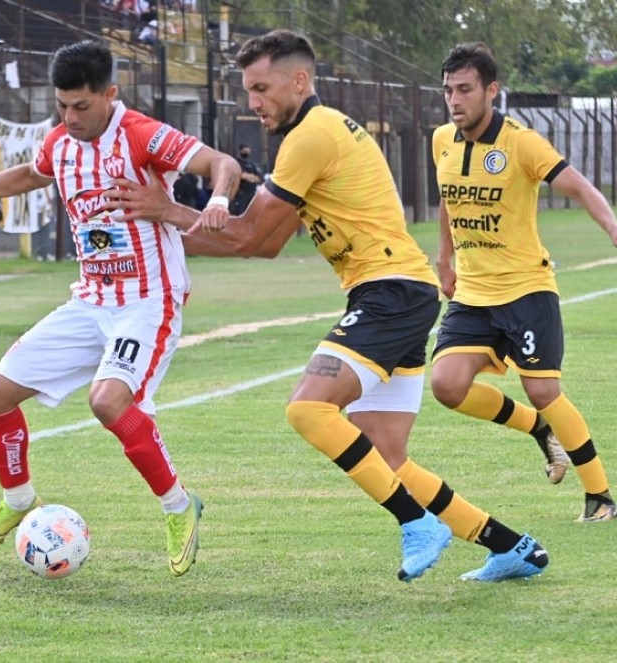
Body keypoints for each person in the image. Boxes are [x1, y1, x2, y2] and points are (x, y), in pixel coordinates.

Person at [106, 30, 551, 582]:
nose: (254, 103)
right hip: (401, 291)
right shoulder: (315, 132)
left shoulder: (309, 137)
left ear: (299, 81)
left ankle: (417, 523)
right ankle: (511, 546)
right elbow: (264, 242)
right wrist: (160, 231)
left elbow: (249, 238)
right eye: (248, 91)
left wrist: (165, 212)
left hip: (389, 291)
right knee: (387, 458)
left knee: (307, 409)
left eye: (262, 89)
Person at [0, 40, 241, 577]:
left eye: (81, 106)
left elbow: (221, 163)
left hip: (147, 302)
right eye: (61, 106)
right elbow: (30, 174)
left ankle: (180, 506)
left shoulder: (140, 135)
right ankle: (19, 502)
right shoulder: (60, 141)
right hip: (90, 300)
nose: (69, 117)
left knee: (107, 401)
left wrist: (217, 201)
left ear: (110, 94)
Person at [431, 42, 617, 523]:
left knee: (544, 392)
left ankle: (600, 497)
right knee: (447, 386)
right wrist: (444, 260)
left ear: (491, 90)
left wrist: (614, 229)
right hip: (472, 293)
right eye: (448, 90)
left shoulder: (521, 142)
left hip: (527, 290)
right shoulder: (441, 140)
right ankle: (537, 430)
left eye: (464, 89)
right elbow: (449, 199)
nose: (454, 100)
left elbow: (580, 186)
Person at [231, 143, 263, 215]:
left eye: (248, 151)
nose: (246, 153)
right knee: (240, 213)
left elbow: (258, 178)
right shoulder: (236, 162)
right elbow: (240, 175)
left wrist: (249, 177)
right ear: (240, 151)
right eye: (245, 151)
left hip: (251, 193)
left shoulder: (251, 165)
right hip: (241, 193)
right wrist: (251, 177)